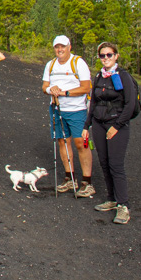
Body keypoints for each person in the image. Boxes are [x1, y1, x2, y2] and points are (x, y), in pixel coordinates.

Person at [83, 42, 137, 224]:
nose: (105, 58)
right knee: (104, 162)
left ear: (116, 56)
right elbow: (93, 102)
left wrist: (117, 126)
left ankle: (123, 205)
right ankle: (112, 199)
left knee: (116, 164)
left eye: (109, 55)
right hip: (99, 123)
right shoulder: (99, 76)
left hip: (116, 125)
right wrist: (87, 125)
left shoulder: (123, 76)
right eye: (102, 55)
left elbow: (130, 104)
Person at [42, 35, 94, 197]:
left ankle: (87, 182)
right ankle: (70, 178)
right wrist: (51, 90)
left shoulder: (78, 63)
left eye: (63, 46)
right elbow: (45, 86)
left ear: (69, 47)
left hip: (77, 109)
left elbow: (86, 87)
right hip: (57, 109)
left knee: (81, 143)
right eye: (57, 47)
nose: (60, 50)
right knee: (63, 141)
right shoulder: (50, 65)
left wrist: (65, 93)